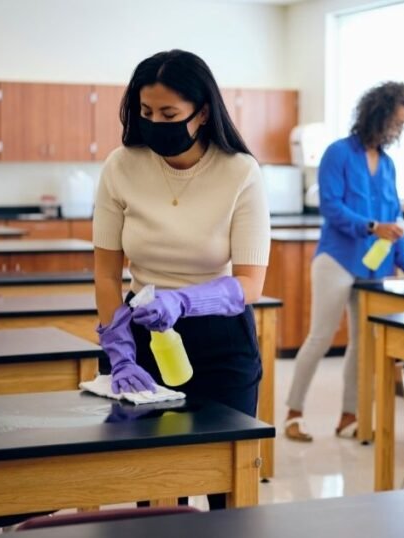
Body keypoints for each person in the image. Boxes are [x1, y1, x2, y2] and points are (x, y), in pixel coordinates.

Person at [93, 49, 270, 507]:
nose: (155, 123)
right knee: (157, 488)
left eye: (169, 114)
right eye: (146, 112)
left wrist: (184, 301)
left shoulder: (240, 172)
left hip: (221, 343)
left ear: (202, 112)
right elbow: (106, 273)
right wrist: (119, 349)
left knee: (227, 489)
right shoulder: (120, 166)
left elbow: (251, 283)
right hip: (144, 338)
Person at [284, 81, 404, 442]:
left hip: (374, 268)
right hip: (336, 259)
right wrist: (371, 226)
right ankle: (293, 414)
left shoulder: (389, 165)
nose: (398, 131)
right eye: (395, 123)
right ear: (377, 115)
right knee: (321, 337)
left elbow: (394, 218)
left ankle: (349, 417)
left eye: (402, 125)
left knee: (362, 344)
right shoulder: (338, 154)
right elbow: (331, 207)